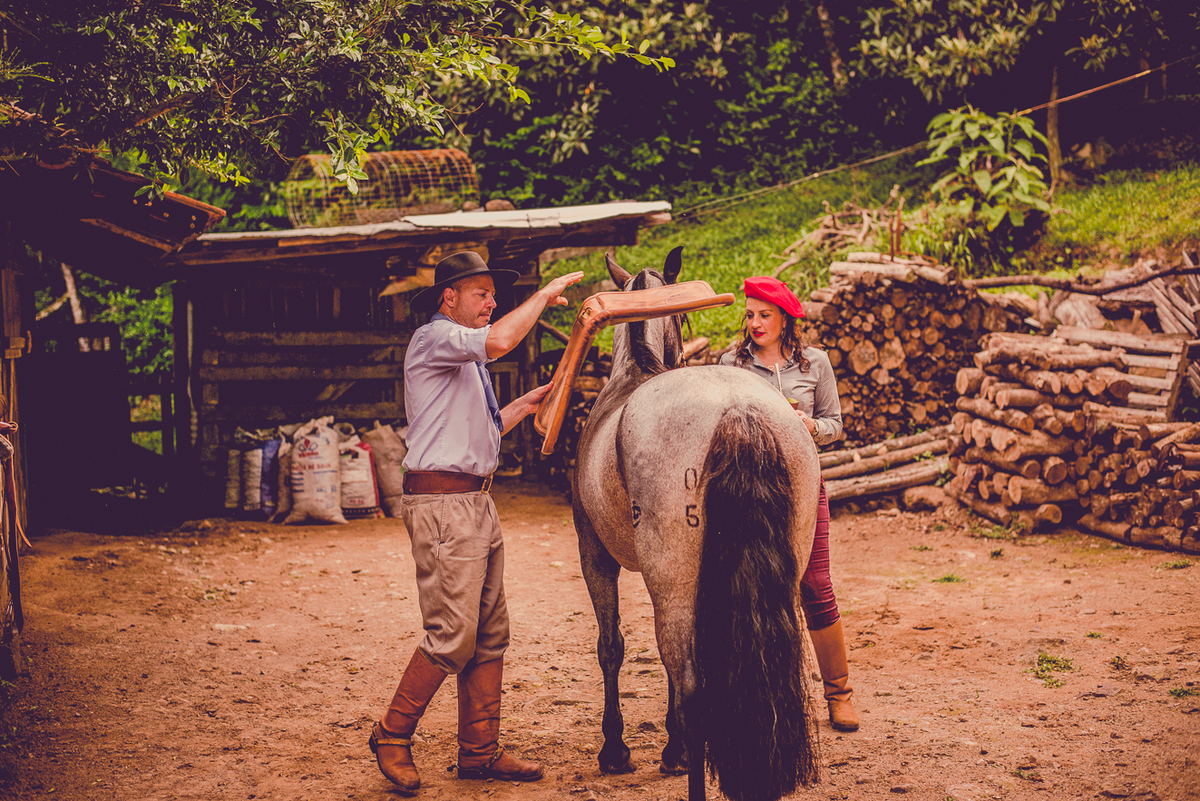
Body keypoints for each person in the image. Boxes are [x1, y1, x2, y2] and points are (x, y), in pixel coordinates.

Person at [369, 251, 584, 792]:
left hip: (475, 502)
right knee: (452, 634)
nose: (492, 303)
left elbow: (481, 432)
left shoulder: (463, 360)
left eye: (495, 295)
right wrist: (542, 294)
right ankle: (392, 735)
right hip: (443, 506)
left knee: (489, 634)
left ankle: (479, 753)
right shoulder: (434, 337)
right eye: (482, 293)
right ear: (450, 297)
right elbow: (499, 341)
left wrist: (524, 404)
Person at [718, 275, 860, 732]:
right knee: (752, 591)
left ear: (785, 319)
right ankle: (759, 699)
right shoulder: (731, 364)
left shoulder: (814, 363)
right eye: (750, 315)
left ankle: (838, 693)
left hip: (802, 487)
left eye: (765, 315)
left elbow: (835, 423)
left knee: (816, 583)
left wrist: (810, 427)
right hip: (746, 490)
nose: (755, 323)